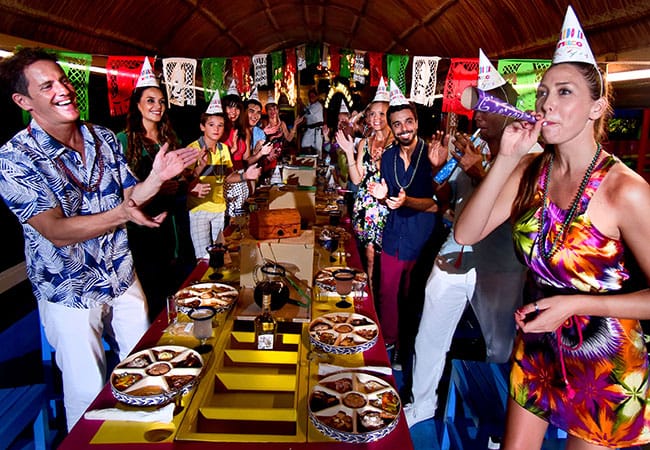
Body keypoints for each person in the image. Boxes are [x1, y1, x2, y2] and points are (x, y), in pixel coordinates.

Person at [454, 7, 650, 448]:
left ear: (597, 106)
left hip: (607, 365)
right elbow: (466, 234)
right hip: (541, 349)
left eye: (565, 92)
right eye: (543, 92)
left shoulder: (625, 192)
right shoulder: (530, 171)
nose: (547, 103)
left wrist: (574, 304)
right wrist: (506, 157)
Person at [0, 47, 198, 430]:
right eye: (47, 86)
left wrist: (155, 180)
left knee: (149, 364)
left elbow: (129, 195)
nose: (63, 90)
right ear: (24, 101)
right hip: (69, 288)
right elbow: (55, 231)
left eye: (62, 80)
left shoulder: (102, 138)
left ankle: (151, 430)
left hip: (121, 274)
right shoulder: (15, 159)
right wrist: (123, 214)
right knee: (87, 386)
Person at [405, 53, 526, 427]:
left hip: (500, 265)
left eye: (487, 109)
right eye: (477, 109)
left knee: (500, 346)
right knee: (430, 331)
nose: (478, 117)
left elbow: (518, 207)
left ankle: (497, 426)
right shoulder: (472, 141)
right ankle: (421, 404)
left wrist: (481, 170)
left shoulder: (529, 151)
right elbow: (447, 198)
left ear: (508, 109)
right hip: (455, 255)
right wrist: (439, 167)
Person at [368, 80, 439, 370]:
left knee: (414, 295)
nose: (403, 129)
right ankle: (390, 341)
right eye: (397, 124)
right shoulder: (387, 157)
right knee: (386, 290)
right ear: (391, 128)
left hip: (423, 237)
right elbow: (389, 201)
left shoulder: (432, 154)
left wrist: (405, 200)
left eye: (408, 121)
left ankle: (408, 348)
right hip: (395, 231)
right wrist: (385, 199)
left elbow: (437, 204)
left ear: (417, 122)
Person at [117, 63, 194, 320]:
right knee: (148, 292)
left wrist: (185, 183)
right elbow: (119, 193)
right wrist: (160, 188)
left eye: (161, 101)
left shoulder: (170, 140)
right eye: (150, 100)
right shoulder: (123, 142)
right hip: (140, 229)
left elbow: (181, 179)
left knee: (173, 285)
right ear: (137, 104)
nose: (157, 106)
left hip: (171, 225)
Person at [337, 78, 393, 299]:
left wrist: (382, 164)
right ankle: (367, 296)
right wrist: (349, 152)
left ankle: (375, 297)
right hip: (363, 206)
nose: (376, 118)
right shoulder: (364, 142)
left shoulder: (396, 144)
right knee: (364, 253)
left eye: (382, 113)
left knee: (375, 256)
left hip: (382, 206)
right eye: (372, 114)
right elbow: (358, 178)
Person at [186, 94, 261, 257]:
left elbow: (228, 177)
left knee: (222, 253)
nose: (216, 129)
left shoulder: (223, 149)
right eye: (211, 124)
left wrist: (245, 176)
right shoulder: (192, 149)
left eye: (220, 125)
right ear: (202, 126)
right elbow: (184, 182)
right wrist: (200, 168)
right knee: (204, 257)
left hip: (220, 208)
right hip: (200, 210)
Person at [300, 88, 324, 156]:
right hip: (309, 129)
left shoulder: (318, 105)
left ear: (316, 96)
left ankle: (318, 162)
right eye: (310, 96)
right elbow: (304, 114)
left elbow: (308, 112)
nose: (311, 98)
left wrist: (301, 104)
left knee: (317, 148)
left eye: (313, 96)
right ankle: (307, 161)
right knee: (304, 144)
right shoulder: (309, 105)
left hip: (317, 130)